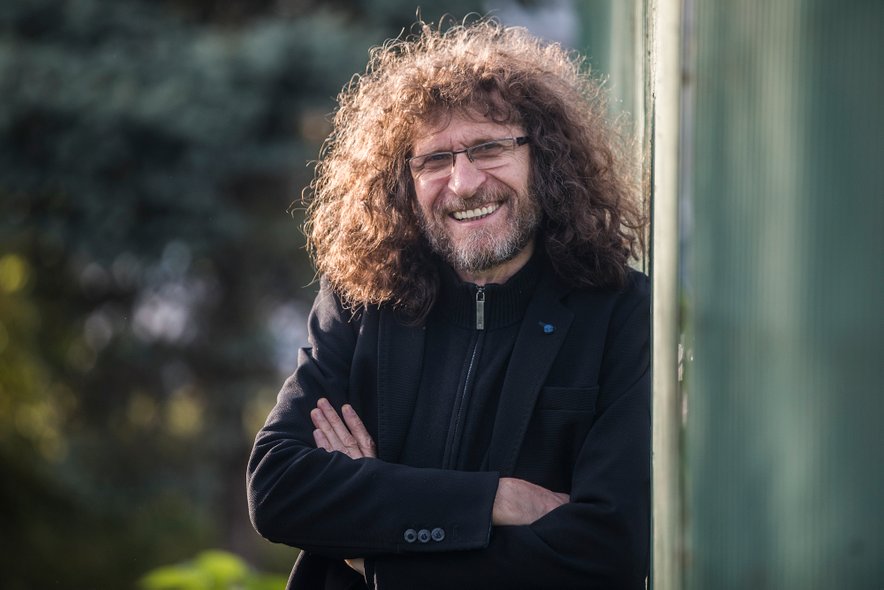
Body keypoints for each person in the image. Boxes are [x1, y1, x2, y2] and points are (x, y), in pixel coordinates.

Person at [247, 18, 649, 590]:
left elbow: (607, 549)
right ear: (403, 181)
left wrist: (377, 549)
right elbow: (279, 487)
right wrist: (495, 499)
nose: (463, 183)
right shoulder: (363, 299)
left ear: (546, 158)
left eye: (489, 148)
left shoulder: (622, 314)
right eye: (434, 160)